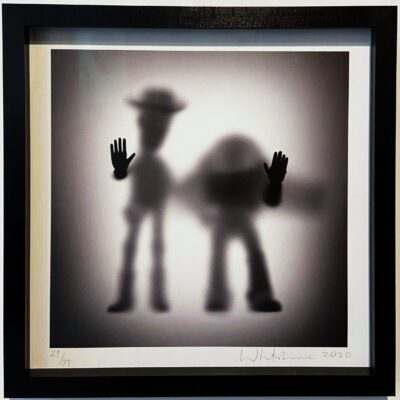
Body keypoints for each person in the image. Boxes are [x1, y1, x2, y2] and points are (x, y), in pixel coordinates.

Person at [108, 88, 185, 312]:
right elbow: (126, 172)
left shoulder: (158, 163)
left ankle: (153, 297)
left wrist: (122, 171)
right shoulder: (147, 159)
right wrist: (121, 171)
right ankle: (131, 297)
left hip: (154, 196)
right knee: (133, 245)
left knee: (154, 245)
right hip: (142, 198)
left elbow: (168, 183)